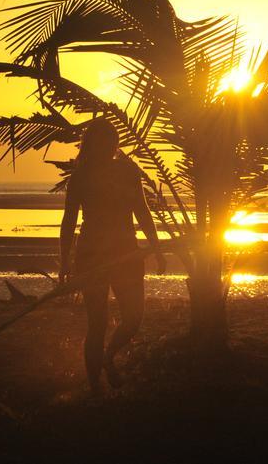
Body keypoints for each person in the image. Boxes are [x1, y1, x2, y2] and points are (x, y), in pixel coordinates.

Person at [58, 117, 166, 393]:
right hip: (91, 254)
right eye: (100, 141)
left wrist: (156, 248)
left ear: (116, 144)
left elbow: (142, 211)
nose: (106, 146)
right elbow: (69, 220)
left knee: (134, 316)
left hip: (127, 251)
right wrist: (64, 262)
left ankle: (108, 357)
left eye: (111, 140)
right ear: (89, 145)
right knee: (98, 322)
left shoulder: (128, 172)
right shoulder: (80, 177)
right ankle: (95, 387)